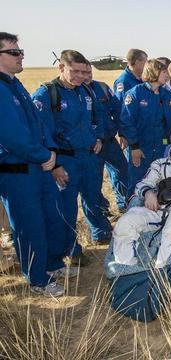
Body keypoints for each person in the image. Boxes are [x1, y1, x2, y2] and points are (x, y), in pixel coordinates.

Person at [0, 32, 73, 296]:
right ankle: (38, 279)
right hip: (17, 171)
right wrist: (44, 157)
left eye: (21, 52)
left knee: (49, 217)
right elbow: (10, 134)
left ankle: (52, 264)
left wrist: (50, 154)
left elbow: (38, 124)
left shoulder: (15, 84)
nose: (21, 56)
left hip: (40, 166)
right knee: (29, 224)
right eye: (14, 53)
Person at [33, 49, 111, 260]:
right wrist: (55, 165)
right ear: (61, 68)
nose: (80, 76)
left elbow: (97, 118)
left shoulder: (85, 92)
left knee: (93, 198)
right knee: (66, 209)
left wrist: (98, 138)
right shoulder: (46, 94)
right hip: (65, 160)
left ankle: (100, 233)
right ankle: (69, 251)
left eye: (83, 72)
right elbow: (41, 133)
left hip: (88, 158)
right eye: (75, 71)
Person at [112, 130, 171, 268]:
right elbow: (143, 184)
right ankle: (126, 270)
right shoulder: (160, 163)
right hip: (157, 209)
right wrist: (148, 193)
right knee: (125, 222)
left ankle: (162, 270)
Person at [120, 59, 171, 198]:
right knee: (137, 181)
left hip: (162, 145)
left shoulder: (167, 94)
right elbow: (127, 122)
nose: (167, 75)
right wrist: (134, 147)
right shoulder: (135, 94)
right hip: (141, 148)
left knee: (161, 179)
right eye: (164, 72)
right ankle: (132, 209)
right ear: (154, 72)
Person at [84, 60, 129, 215]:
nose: (87, 76)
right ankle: (101, 213)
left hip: (110, 142)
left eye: (89, 72)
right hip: (91, 146)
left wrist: (122, 133)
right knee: (93, 182)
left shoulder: (102, 87)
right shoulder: (74, 92)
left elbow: (117, 110)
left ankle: (124, 204)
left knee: (122, 171)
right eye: (83, 72)